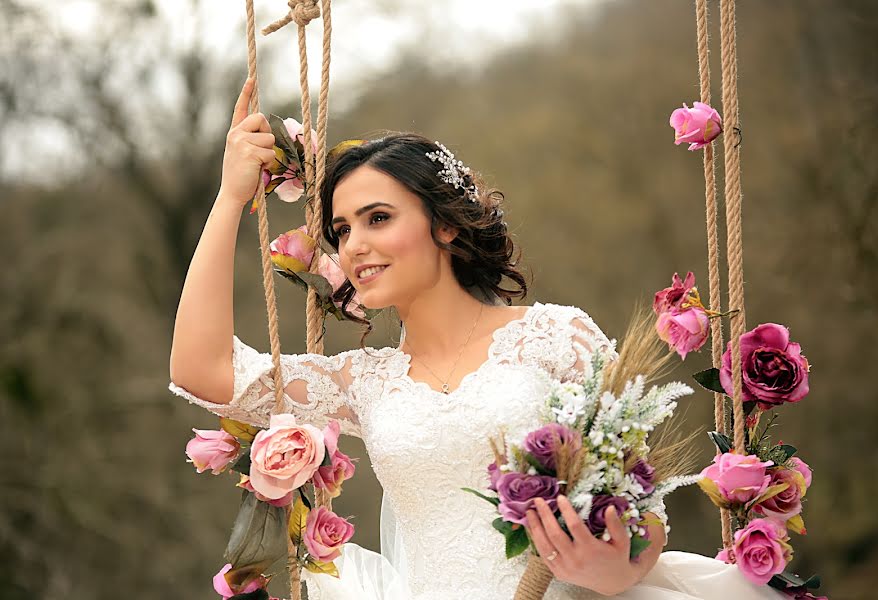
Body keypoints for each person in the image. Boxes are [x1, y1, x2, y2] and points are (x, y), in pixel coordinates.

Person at [169, 77, 783, 599]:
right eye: (340, 229)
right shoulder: (365, 381)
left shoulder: (556, 336)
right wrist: (230, 196)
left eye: (377, 218)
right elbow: (202, 370)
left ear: (442, 224)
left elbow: (645, 512)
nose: (354, 245)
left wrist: (618, 568)